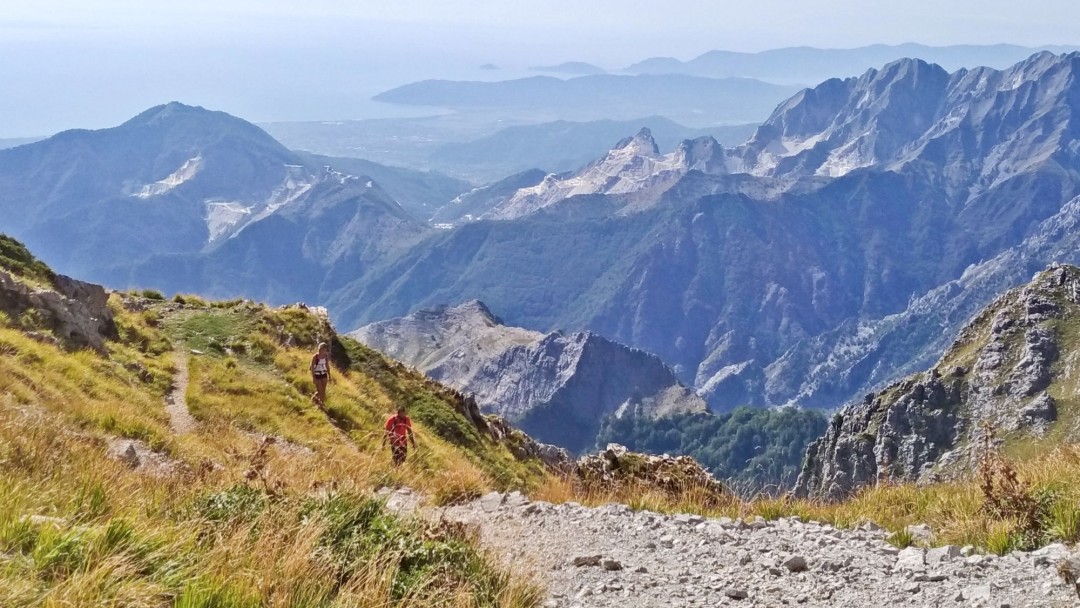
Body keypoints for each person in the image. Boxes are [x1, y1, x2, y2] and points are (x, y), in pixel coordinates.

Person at [309, 342, 332, 409]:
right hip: (317, 375)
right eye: (322, 349)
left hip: (324, 374)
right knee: (320, 391)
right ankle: (320, 406)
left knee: (323, 392)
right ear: (320, 349)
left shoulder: (325, 356)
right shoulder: (315, 357)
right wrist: (313, 378)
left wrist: (329, 375)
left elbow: (327, 366)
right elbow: (312, 368)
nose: (323, 351)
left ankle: (314, 399)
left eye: (325, 349)